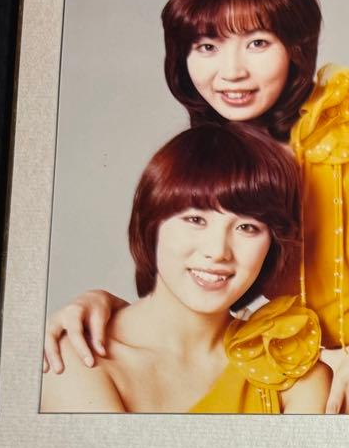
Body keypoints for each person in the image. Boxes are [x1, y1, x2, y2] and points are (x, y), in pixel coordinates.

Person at [43, 0, 349, 414]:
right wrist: (106, 305)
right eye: (207, 46)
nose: (231, 72)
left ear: (295, 45)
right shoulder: (235, 172)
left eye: (257, 43)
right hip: (330, 397)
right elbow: (202, 282)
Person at [41, 124, 329, 415]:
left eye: (247, 227)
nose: (218, 251)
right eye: (195, 220)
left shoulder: (289, 374)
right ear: (152, 223)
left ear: (272, 246)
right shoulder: (76, 359)